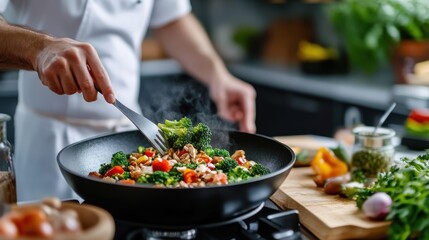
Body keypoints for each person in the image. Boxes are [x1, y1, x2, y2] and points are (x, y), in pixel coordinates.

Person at [0, 0, 256, 202]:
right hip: (48, 144)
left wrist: (218, 75)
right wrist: (38, 48)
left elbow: (172, 18)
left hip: (127, 132)